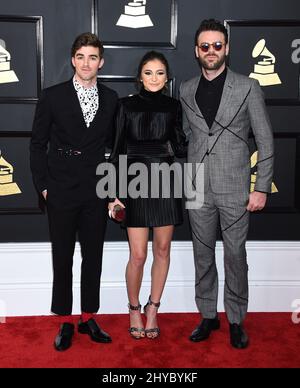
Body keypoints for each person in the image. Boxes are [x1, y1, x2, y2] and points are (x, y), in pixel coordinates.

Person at [180, 19, 274, 349]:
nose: (211, 51)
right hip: (196, 187)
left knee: (235, 255)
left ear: (227, 48)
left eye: (217, 45)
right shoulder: (186, 89)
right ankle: (208, 315)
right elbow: (190, 134)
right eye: (205, 46)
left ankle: (235, 318)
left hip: (235, 187)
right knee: (202, 255)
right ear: (196, 51)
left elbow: (264, 139)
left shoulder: (247, 87)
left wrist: (261, 186)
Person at [30, 32, 118, 351]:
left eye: (92, 57)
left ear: (101, 62)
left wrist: (112, 189)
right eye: (80, 56)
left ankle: (88, 317)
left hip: (96, 188)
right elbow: (38, 145)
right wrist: (44, 188)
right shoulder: (53, 96)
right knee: (63, 256)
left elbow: (115, 148)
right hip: (61, 188)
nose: (86, 63)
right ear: (72, 60)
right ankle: (65, 321)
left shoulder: (111, 99)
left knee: (93, 256)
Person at [108, 51, 186, 339]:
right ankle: (133, 308)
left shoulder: (174, 106)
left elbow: (179, 146)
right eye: (149, 72)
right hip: (133, 182)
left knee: (162, 250)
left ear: (167, 78)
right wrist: (113, 193)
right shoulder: (124, 106)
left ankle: (153, 309)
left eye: (160, 73)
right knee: (138, 255)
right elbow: (116, 151)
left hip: (165, 180)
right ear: (140, 77)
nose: (154, 78)